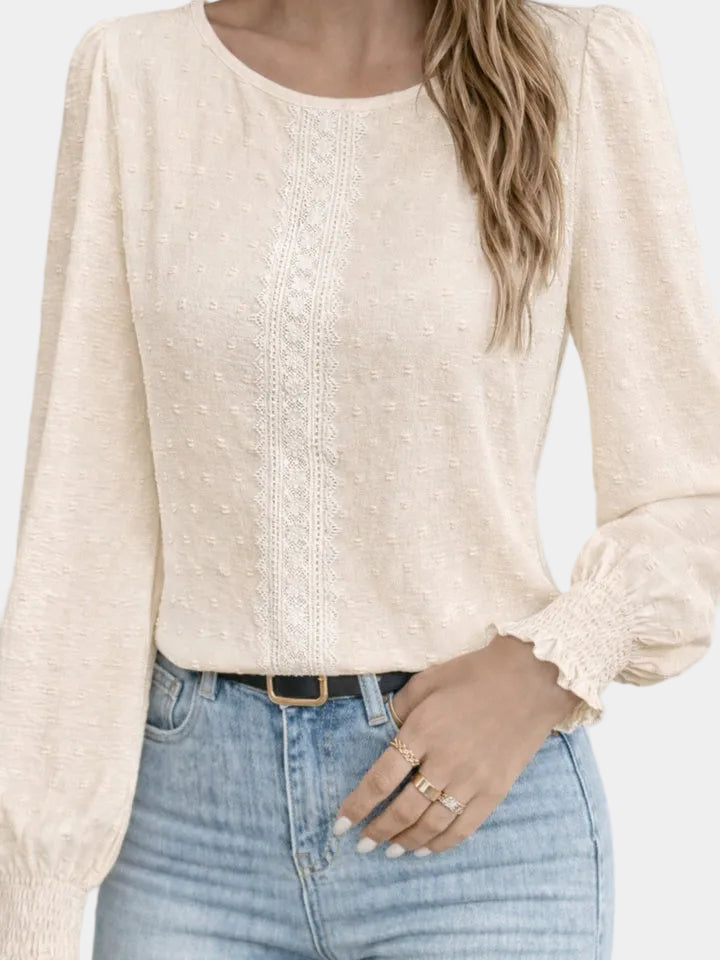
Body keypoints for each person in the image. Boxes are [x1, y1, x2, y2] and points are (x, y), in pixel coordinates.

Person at [1, 0, 718, 957]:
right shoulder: (135, 76)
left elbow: (693, 490)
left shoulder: (578, 69)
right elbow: (82, 506)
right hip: (183, 836)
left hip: (477, 834)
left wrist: (545, 670)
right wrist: (38, 885)